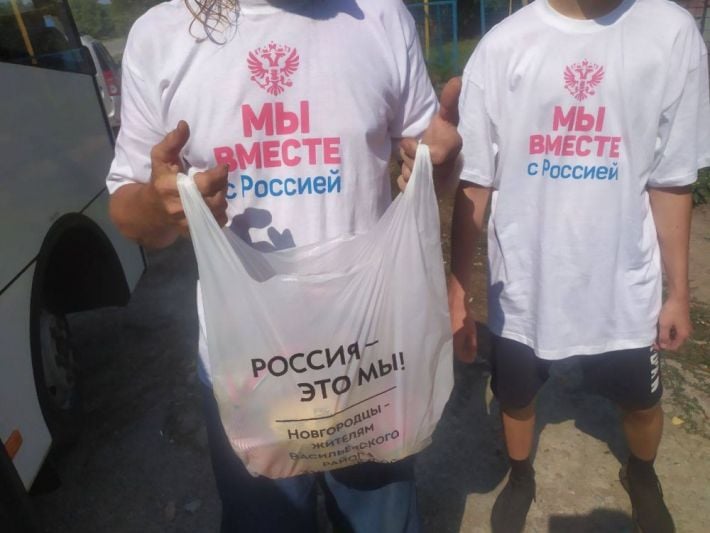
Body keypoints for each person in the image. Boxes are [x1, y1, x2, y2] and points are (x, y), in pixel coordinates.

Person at [106, 0, 459, 531]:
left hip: (371, 358)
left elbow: (432, 165)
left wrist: (439, 168)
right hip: (248, 369)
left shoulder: (381, 16)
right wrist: (160, 207)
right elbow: (131, 216)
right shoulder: (162, 34)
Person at [449, 0, 710, 532]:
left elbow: (672, 178)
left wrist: (678, 292)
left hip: (622, 282)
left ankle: (642, 474)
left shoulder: (670, 32)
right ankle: (521, 474)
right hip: (526, 281)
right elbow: (475, 180)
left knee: (642, 402)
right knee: (516, 397)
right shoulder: (504, 45)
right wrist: (457, 288)